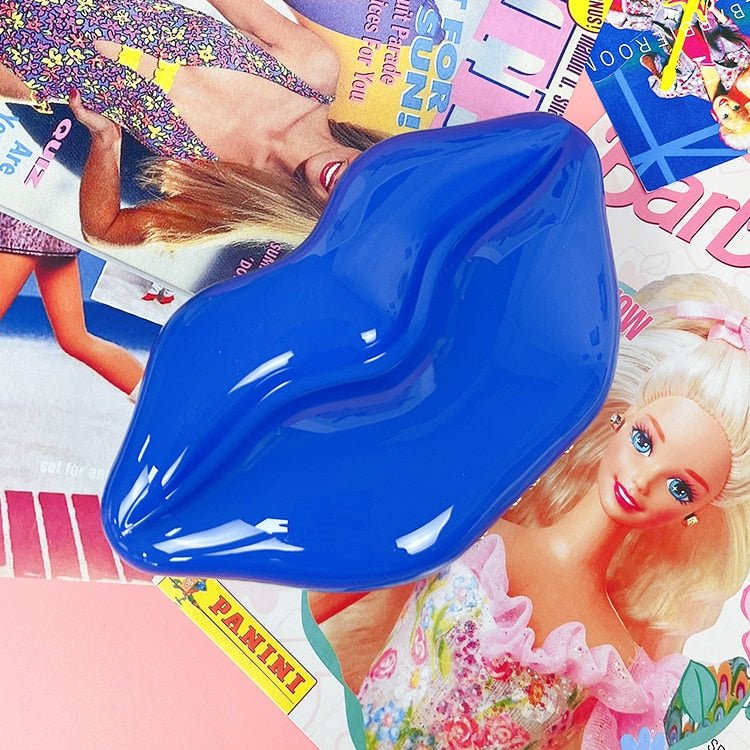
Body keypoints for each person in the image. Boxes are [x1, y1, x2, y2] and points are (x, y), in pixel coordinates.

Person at [310, 273, 750, 748]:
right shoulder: (477, 529)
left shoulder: (617, 668)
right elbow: (307, 617)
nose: (643, 480)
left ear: (696, 513)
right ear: (620, 419)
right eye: (643, 441)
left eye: (680, 488)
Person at [0, 0, 384, 251]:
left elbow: (105, 230)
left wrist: (105, 140)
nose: (350, 183)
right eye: (377, 180)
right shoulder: (313, 68)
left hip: (28, 67)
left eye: (356, 207)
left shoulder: (228, 196)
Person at [0, 212, 144, 398]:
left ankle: (159, 399)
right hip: (52, 222)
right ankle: (160, 399)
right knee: (75, 338)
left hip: (24, 222)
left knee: (75, 338)